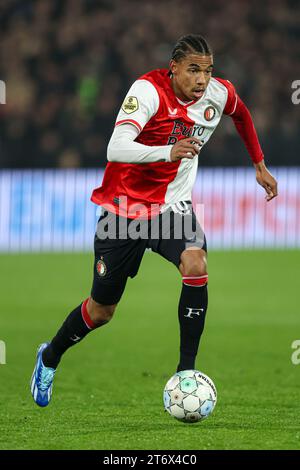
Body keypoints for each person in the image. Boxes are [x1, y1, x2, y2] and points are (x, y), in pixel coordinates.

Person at [31, 34, 278, 407]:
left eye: (208, 71)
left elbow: (241, 114)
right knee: (101, 312)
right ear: (174, 67)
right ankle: (50, 357)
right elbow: (116, 147)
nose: (201, 79)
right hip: (123, 213)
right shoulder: (147, 91)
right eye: (193, 70)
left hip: (172, 210)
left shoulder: (218, 93)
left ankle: (185, 375)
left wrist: (259, 165)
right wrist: (168, 151)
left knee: (196, 263)